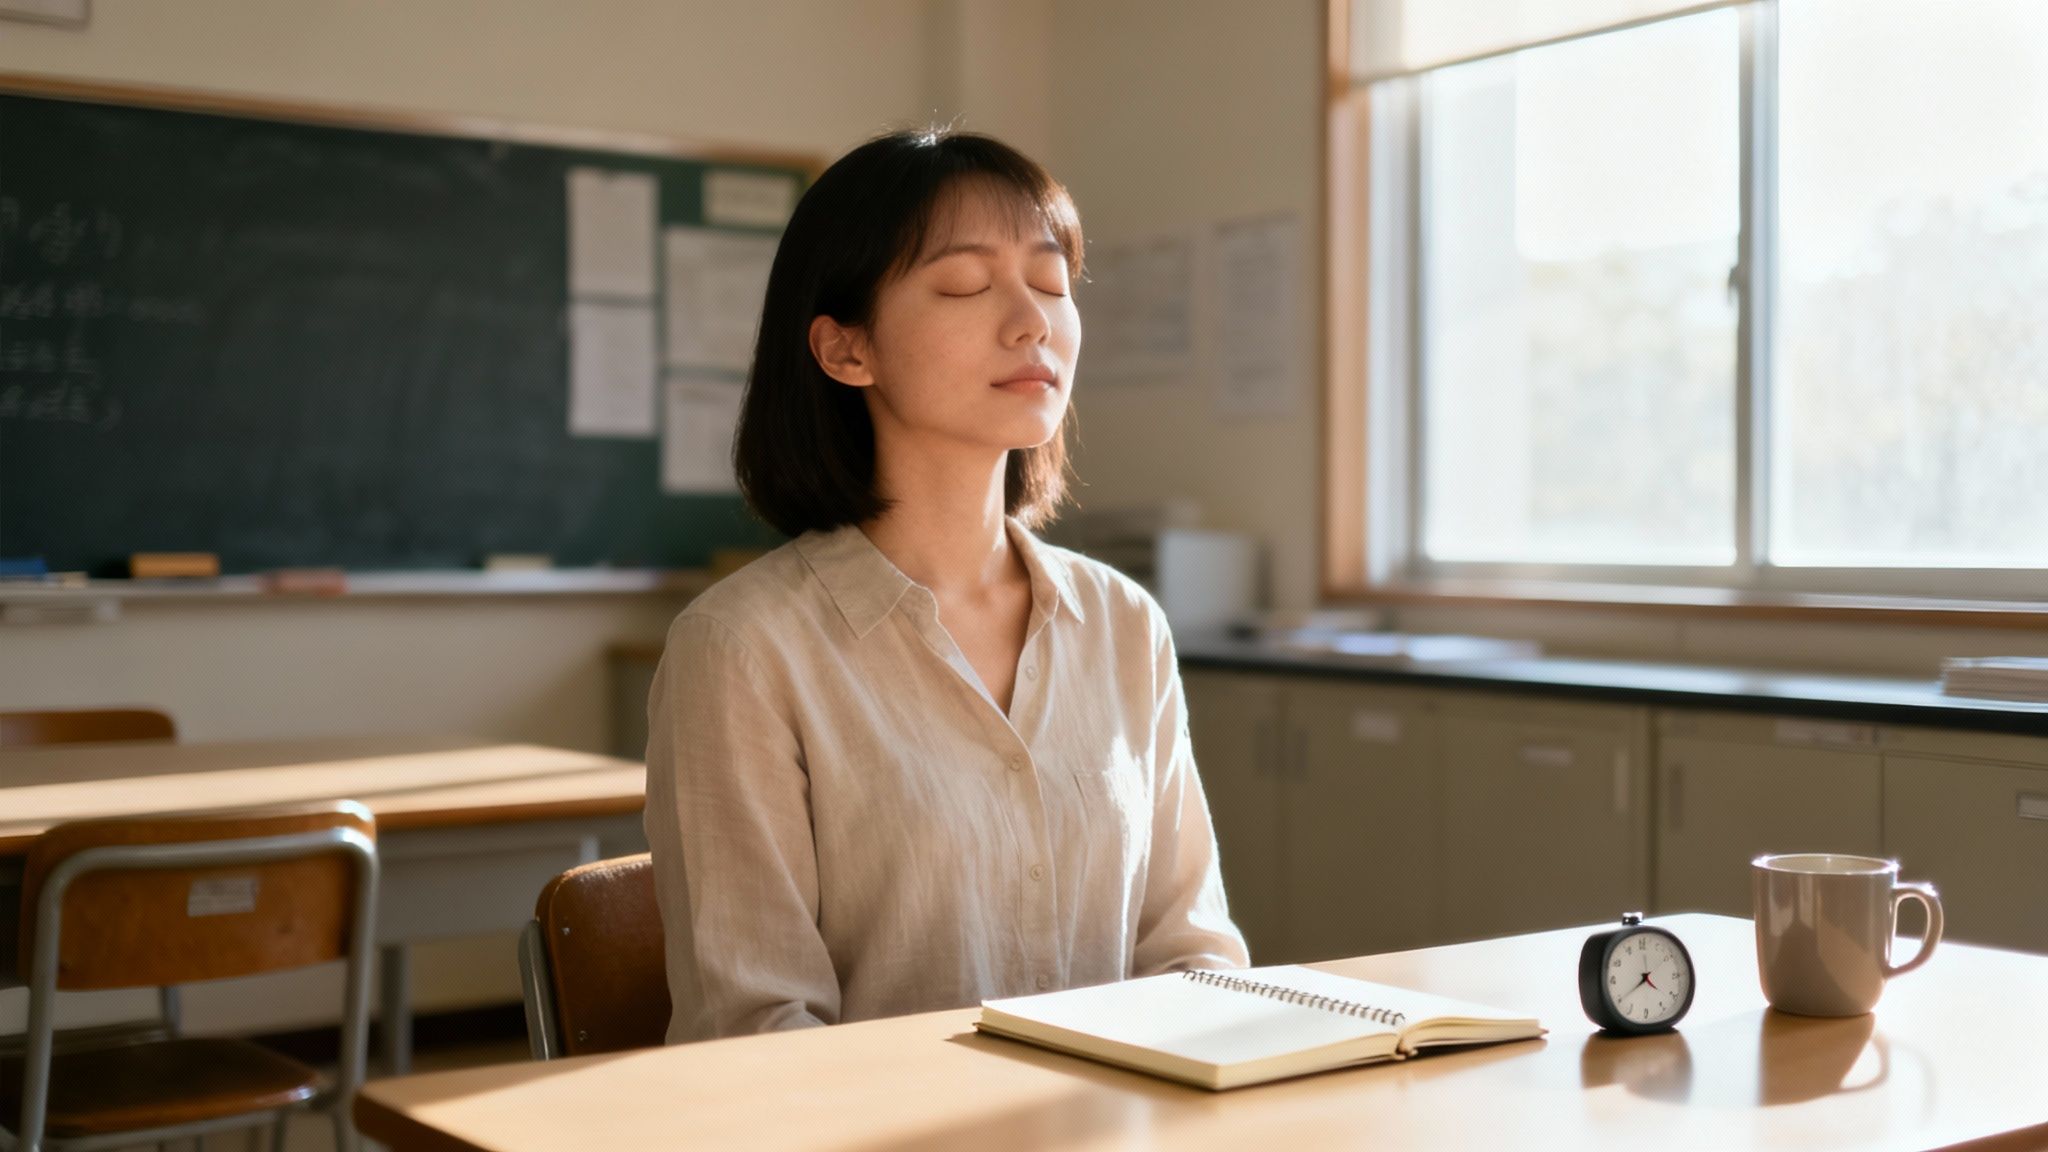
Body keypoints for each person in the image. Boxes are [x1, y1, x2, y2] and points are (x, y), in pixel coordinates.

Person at [644, 128, 1247, 1043]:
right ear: (848, 351)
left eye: (1050, 283)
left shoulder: (1123, 623)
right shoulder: (741, 649)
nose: (1032, 320)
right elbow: (758, 1029)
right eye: (967, 284)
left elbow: (1192, 953)